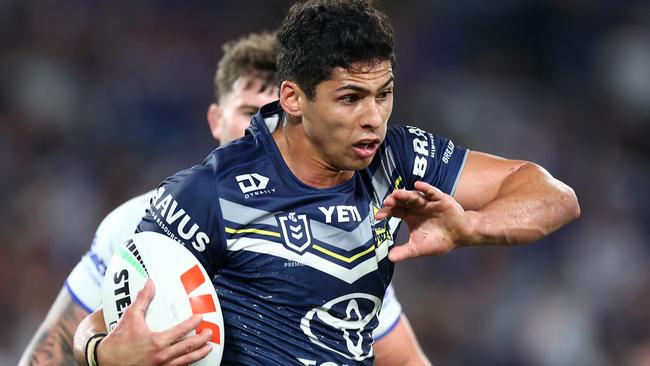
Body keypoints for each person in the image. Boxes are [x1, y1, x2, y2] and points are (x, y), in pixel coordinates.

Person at [73, 0, 581, 365]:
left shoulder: (396, 155)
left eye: (384, 95)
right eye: (349, 98)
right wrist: (101, 354)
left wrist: (471, 226)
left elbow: (553, 196)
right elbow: (102, 321)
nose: (374, 118)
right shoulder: (209, 193)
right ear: (293, 99)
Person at [20, 32, 429, 366]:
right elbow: (49, 352)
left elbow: (404, 359)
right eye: (252, 112)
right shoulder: (140, 224)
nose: (269, 131)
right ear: (216, 120)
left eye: (284, 121)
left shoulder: (347, 239)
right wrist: (98, 352)